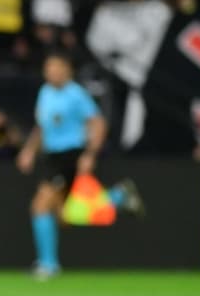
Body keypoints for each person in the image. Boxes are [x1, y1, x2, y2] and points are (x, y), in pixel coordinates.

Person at [16, 52, 142, 280]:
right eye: (49, 67)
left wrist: (90, 154)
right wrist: (29, 150)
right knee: (64, 216)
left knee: (40, 205)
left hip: (71, 155)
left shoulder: (76, 94)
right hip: (52, 157)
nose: (52, 72)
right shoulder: (44, 92)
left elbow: (98, 124)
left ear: (67, 70)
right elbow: (41, 127)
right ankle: (117, 197)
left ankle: (48, 265)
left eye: (56, 67)